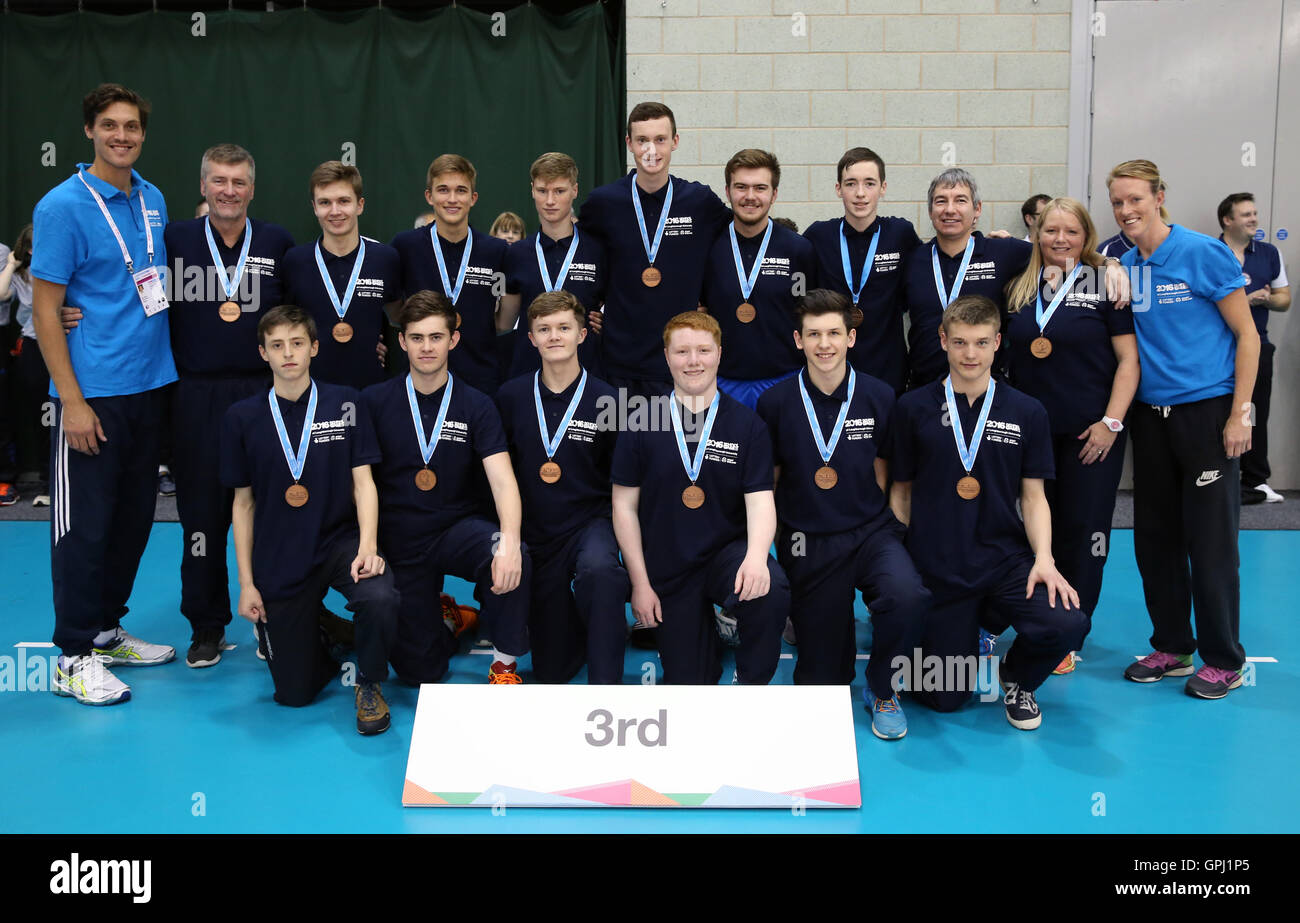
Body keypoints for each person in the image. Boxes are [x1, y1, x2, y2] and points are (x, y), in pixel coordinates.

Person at [32, 84, 177, 706]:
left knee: (131, 521)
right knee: (84, 530)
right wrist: (71, 398)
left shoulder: (154, 198)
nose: (123, 136)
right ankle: (71, 655)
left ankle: (107, 630)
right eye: (110, 126)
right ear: (89, 130)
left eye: (133, 127)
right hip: (93, 395)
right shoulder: (61, 206)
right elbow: (44, 307)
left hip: (152, 388)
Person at [890, 294, 1086, 730]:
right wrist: (900, 561)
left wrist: (1045, 560)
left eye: (981, 342)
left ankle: (1017, 679)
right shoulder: (912, 409)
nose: (970, 354)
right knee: (944, 698)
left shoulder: (1026, 411)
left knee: (1068, 621)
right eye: (960, 342)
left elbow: (1033, 497)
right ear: (942, 340)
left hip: (1001, 559)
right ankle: (959, 632)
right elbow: (900, 493)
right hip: (937, 565)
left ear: (998, 342)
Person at [1110, 160, 1258, 699]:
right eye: (1118, 202)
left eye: (1135, 200)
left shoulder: (1201, 252)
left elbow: (1248, 336)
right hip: (1151, 420)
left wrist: (1242, 413)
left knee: (1211, 542)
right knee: (1155, 539)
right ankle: (1173, 645)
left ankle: (1224, 660)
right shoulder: (1123, 262)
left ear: (1159, 197)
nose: (1126, 210)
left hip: (1207, 415)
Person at [756, 289, 929, 739]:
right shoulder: (775, 402)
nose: (824, 344)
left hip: (870, 531)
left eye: (834, 333)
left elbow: (884, 467)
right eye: (813, 334)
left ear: (852, 337)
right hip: (807, 539)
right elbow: (769, 481)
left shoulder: (879, 395)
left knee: (907, 595)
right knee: (822, 682)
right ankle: (813, 629)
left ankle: (882, 686)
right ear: (798, 340)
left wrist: (891, 528)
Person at [221, 305, 397, 733]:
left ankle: (369, 682)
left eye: (297, 343)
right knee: (294, 696)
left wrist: (369, 547)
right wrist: (246, 584)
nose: (288, 354)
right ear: (263, 353)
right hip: (280, 552)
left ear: (314, 347)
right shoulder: (242, 417)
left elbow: (364, 484)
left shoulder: (347, 403)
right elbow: (242, 505)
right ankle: (323, 633)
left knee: (380, 597)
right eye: (277, 346)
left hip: (340, 542)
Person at [161, 143, 295, 667]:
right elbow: (135, 296)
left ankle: (273, 618)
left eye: (239, 182)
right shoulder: (173, 239)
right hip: (194, 395)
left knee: (268, 511)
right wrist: (72, 311)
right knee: (201, 517)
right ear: (203, 186)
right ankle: (206, 625)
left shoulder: (278, 242)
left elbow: (300, 316)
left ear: (252, 189)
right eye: (219, 181)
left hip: (262, 395)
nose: (229, 191)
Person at [361, 291, 531, 684]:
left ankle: (504, 662)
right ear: (401, 341)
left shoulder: (477, 404)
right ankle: (447, 619)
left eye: (436, 337)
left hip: (457, 530)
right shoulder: (373, 401)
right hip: (400, 538)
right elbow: (361, 482)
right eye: (416, 337)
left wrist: (508, 541)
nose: (426, 347)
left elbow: (503, 481)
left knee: (513, 550)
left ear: (453, 340)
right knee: (420, 673)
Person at [611, 311, 789, 684]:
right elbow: (624, 507)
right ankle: (707, 638)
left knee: (769, 588)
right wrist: (640, 584)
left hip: (726, 556)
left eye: (703, 351)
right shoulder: (641, 420)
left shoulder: (747, 424)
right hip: (668, 563)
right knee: (689, 685)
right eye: (683, 352)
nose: (694, 361)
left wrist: (757, 558)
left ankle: (751, 682)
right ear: (666, 356)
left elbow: (760, 502)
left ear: (719, 354)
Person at [1004, 197, 1139, 674]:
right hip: (1028, 435)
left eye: (1072, 232)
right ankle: (1029, 613)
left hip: (1091, 434)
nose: (1060, 240)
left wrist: (1111, 423)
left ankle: (1068, 629)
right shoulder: (1020, 284)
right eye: (1050, 231)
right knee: (1029, 528)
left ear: (1087, 237)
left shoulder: (1105, 282)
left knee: (1083, 533)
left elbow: (1129, 361)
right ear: (1036, 235)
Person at [496, 291, 629, 683]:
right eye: (544, 329)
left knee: (601, 572)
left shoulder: (610, 400)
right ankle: (576, 628)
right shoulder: (510, 397)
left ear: (582, 335)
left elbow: (620, 481)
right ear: (531, 338)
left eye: (564, 328)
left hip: (590, 523)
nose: (555, 336)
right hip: (534, 527)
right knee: (552, 670)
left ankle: (606, 682)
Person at [578, 102, 731, 398]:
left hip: (681, 363)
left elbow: (733, 249)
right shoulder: (603, 203)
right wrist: (588, 309)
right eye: (642, 140)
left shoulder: (699, 201)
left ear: (675, 141)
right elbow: (580, 256)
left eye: (660, 139)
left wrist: (717, 302)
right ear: (629, 144)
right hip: (619, 362)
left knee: (675, 443)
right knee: (623, 443)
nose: (651, 150)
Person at [702, 148, 817, 409]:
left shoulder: (798, 250)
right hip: (721, 381)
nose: (750, 196)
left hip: (784, 379)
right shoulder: (708, 248)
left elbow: (808, 313)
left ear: (774, 194)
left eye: (760, 188)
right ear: (728, 191)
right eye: (741, 187)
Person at [802, 147, 920, 395]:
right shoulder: (819, 236)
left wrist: (988, 243)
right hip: (831, 368)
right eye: (851, 184)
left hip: (888, 368)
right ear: (838, 189)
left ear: (883, 188)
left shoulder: (901, 234)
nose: (860, 194)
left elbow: (935, 262)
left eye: (869, 184)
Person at [901, 168, 1032, 390]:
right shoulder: (913, 260)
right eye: (941, 201)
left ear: (977, 209)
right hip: (924, 389)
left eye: (960, 200)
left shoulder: (1004, 252)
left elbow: (1064, 255)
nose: (949, 210)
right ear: (931, 210)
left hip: (988, 390)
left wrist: (1109, 265)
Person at [390, 155, 509, 396]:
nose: (452, 199)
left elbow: (503, 320)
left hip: (480, 379)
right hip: (419, 381)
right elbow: (394, 312)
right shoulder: (405, 246)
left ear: (473, 198)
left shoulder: (495, 251)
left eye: (461, 190)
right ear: (429, 196)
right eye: (443, 190)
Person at [282, 161, 401, 392]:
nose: (335, 211)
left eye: (344, 201)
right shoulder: (295, 261)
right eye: (325, 202)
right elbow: (285, 324)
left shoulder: (385, 258)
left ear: (360, 205)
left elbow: (398, 316)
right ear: (314, 207)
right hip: (311, 390)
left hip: (373, 389)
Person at [499, 152, 606, 380]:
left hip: (586, 375)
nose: (550, 201)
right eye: (542, 191)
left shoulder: (598, 251)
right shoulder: (516, 253)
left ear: (574, 191)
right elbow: (505, 322)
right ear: (532, 190)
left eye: (559, 191)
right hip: (528, 374)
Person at [1217, 192, 1290, 504]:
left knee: (1254, 413)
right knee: (1217, 414)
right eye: (1246, 214)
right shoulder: (1210, 252)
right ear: (1227, 220)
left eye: (1254, 213)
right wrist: (1240, 303)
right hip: (1217, 349)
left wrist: (1266, 299)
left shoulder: (1269, 253)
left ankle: (1256, 481)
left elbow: (1284, 299)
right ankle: (1217, 479)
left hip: (1258, 347)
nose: (1254, 220)